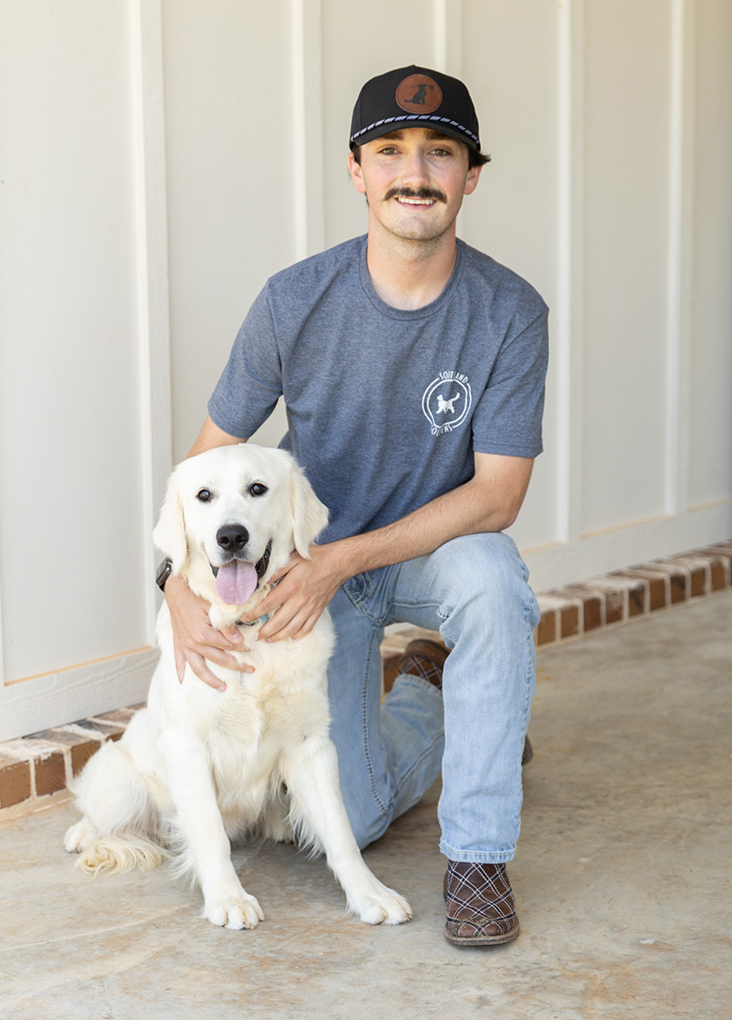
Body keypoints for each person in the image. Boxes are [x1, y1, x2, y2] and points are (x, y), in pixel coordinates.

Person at [160, 65, 548, 946]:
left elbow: (500, 493)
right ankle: (440, 702)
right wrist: (174, 585)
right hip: (307, 568)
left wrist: (344, 558)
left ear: (470, 176)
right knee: (349, 816)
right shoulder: (294, 299)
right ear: (358, 171)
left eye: (440, 152)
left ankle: (480, 860)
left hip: (410, 555)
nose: (416, 172)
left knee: (493, 581)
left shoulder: (511, 312)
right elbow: (207, 463)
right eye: (392, 151)